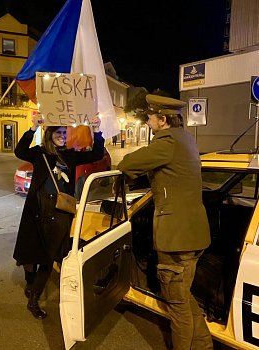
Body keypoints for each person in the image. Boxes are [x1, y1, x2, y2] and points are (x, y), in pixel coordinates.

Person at [117, 94, 213, 350]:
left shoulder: (167, 142)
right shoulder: (186, 140)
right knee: (184, 297)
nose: (147, 122)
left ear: (162, 119)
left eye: (150, 117)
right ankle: (203, 346)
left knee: (177, 306)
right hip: (193, 233)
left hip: (175, 238)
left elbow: (128, 163)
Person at [13, 113, 104, 319]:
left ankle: (33, 299)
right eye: (58, 133)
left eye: (64, 132)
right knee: (32, 249)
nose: (62, 136)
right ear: (49, 134)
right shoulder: (39, 153)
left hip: (61, 209)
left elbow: (96, 154)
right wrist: (32, 128)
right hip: (38, 207)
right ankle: (30, 282)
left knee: (50, 254)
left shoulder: (70, 154)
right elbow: (19, 151)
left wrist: (97, 131)